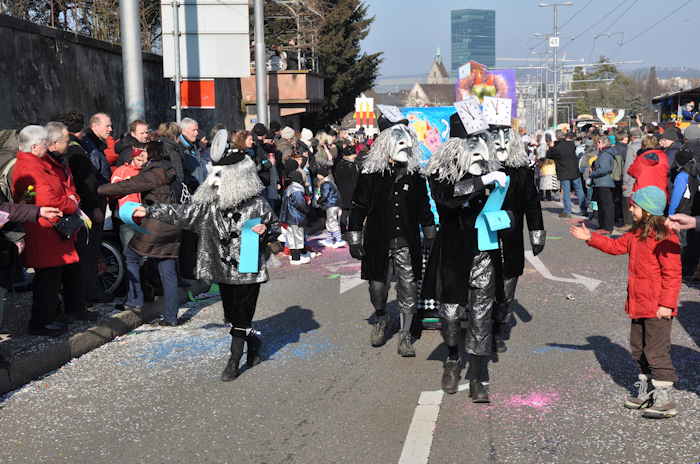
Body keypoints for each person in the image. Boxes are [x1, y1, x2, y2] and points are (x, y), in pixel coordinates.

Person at [132, 130, 280, 382]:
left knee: (242, 313)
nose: (216, 180)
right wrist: (151, 209)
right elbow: (184, 214)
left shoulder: (257, 204)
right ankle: (253, 340)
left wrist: (266, 231)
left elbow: (275, 229)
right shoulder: (210, 205)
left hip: (248, 265)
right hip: (222, 266)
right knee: (233, 316)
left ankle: (234, 360)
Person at [570, 186, 681, 419]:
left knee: (656, 350)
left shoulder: (665, 238)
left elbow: (672, 275)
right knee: (638, 348)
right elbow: (615, 246)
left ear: (649, 210)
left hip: (657, 308)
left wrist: (667, 304)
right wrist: (591, 237)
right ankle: (646, 390)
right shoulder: (636, 234)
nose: (630, 208)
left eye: (635, 205)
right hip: (638, 304)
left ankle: (664, 398)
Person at [420, 112, 506, 401]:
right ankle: (453, 357)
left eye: (482, 139)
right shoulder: (439, 173)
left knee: (482, 313)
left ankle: (479, 374)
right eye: (473, 140)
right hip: (452, 252)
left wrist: (505, 216)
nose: (480, 145)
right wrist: (483, 181)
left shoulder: (494, 170)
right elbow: (448, 197)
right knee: (451, 315)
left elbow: (511, 208)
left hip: (483, 250)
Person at [347, 121, 435, 357]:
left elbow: (424, 206)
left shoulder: (416, 175)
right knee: (378, 287)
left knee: (409, 287)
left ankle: (405, 335)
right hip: (378, 240)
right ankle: (381, 316)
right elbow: (358, 206)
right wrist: (354, 237)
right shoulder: (371, 173)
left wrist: (429, 230)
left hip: (407, 241)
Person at [12, 125, 96, 336]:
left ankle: (50, 318)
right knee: (47, 278)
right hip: (44, 230)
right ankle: (41, 322)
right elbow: (48, 199)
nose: (46, 147)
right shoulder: (31, 167)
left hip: (50, 229)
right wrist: (71, 204)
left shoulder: (37, 164)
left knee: (51, 277)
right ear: (34, 146)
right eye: (43, 144)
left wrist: (69, 200)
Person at [97, 141, 183, 326]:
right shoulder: (171, 170)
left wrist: (100, 189)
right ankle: (171, 317)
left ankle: (134, 300)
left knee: (131, 256)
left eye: (145, 152)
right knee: (167, 270)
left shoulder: (155, 172)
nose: (142, 155)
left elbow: (127, 186)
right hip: (173, 224)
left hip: (156, 225)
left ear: (152, 154)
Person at [493, 128, 545, 353]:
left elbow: (532, 203)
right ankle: (483, 327)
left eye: (506, 142)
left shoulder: (521, 172)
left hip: (511, 237)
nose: (502, 147)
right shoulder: (480, 170)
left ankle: (498, 326)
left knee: (508, 282)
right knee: (483, 285)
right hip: (483, 238)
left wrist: (537, 232)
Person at [53, 114, 111, 306]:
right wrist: (94, 206)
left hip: (76, 207)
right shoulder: (77, 150)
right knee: (86, 253)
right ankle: (86, 295)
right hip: (83, 209)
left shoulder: (73, 149)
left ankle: (82, 296)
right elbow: (87, 182)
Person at [110, 148, 148, 249]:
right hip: (126, 218)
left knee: (144, 253)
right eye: (139, 160)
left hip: (144, 217)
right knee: (130, 250)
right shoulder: (121, 171)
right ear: (132, 158)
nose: (141, 164)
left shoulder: (148, 172)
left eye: (145, 161)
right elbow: (113, 193)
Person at [547, 130, 586, 217]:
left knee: (566, 192)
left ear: (556, 137)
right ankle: (584, 209)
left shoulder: (557, 148)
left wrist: (551, 146)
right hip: (574, 171)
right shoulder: (571, 144)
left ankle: (567, 211)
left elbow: (548, 155)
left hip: (564, 172)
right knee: (579, 190)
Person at [280, 159, 311, 265]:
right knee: (297, 237)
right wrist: (307, 209)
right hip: (296, 217)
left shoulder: (289, 188)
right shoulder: (297, 189)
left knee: (291, 237)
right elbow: (300, 204)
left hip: (289, 217)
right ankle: (297, 258)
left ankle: (294, 257)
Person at [591, 136, 616, 234]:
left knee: (606, 205)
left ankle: (607, 227)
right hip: (601, 182)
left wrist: (593, 173)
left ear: (603, 143)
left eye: (598, 142)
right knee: (601, 205)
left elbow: (605, 169)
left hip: (604, 182)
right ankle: (603, 225)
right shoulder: (604, 153)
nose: (597, 144)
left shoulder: (605, 154)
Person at [316, 166, 345, 248]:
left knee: (332, 223)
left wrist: (319, 201)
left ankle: (339, 240)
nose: (317, 176)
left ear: (322, 175)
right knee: (330, 223)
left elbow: (324, 195)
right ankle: (329, 240)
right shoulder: (331, 182)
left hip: (331, 205)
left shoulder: (326, 184)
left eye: (318, 174)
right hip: (336, 205)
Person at [334, 145, 360, 234]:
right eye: (353, 154)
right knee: (349, 212)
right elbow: (356, 179)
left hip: (342, 191)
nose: (355, 156)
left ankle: (343, 228)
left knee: (344, 212)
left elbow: (336, 178)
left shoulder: (339, 164)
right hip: (351, 192)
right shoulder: (352, 166)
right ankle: (349, 229)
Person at [179, 117, 207, 191]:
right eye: (194, 130)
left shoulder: (194, 146)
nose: (197, 133)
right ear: (184, 131)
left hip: (200, 191)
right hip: (190, 193)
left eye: (197, 130)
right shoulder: (180, 149)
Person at [622, 128, 643, 226]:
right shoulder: (643, 145)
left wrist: (625, 182)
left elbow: (628, 165)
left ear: (631, 137)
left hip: (631, 178)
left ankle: (628, 224)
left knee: (628, 202)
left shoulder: (631, 148)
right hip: (641, 178)